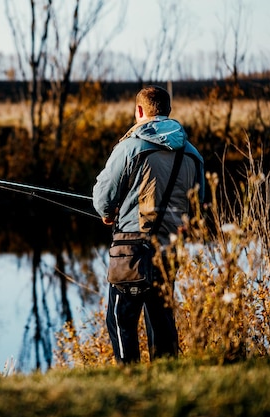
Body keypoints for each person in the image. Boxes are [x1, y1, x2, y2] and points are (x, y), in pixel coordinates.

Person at [92, 85, 204, 364]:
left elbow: (103, 194)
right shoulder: (192, 154)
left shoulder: (130, 146)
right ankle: (165, 376)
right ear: (167, 112)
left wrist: (107, 213)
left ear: (140, 111)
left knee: (121, 318)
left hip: (131, 247)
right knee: (162, 318)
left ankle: (129, 378)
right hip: (170, 246)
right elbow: (199, 205)